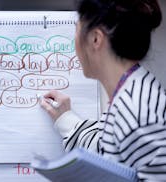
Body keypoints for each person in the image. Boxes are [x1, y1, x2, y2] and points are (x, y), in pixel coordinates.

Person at [39, 0, 166, 181]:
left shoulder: (136, 110)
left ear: (95, 39)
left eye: (76, 30)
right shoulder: (132, 90)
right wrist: (66, 119)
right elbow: (108, 150)